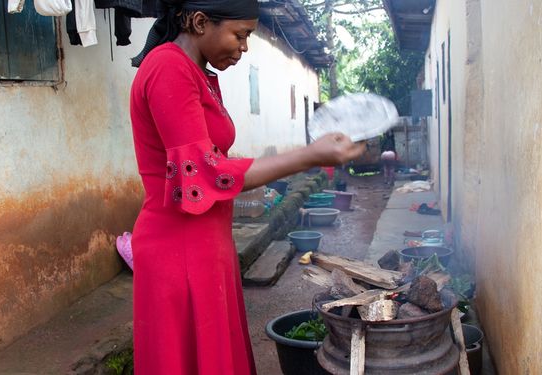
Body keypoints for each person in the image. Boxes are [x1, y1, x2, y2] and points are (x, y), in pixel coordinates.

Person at [128, 1, 366, 373]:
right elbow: (206, 172)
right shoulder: (168, 67)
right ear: (200, 21)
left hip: (206, 241)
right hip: (179, 247)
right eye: (239, 35)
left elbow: (211, 159)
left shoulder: (194, 73)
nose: (244, 47)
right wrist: (308, 156)